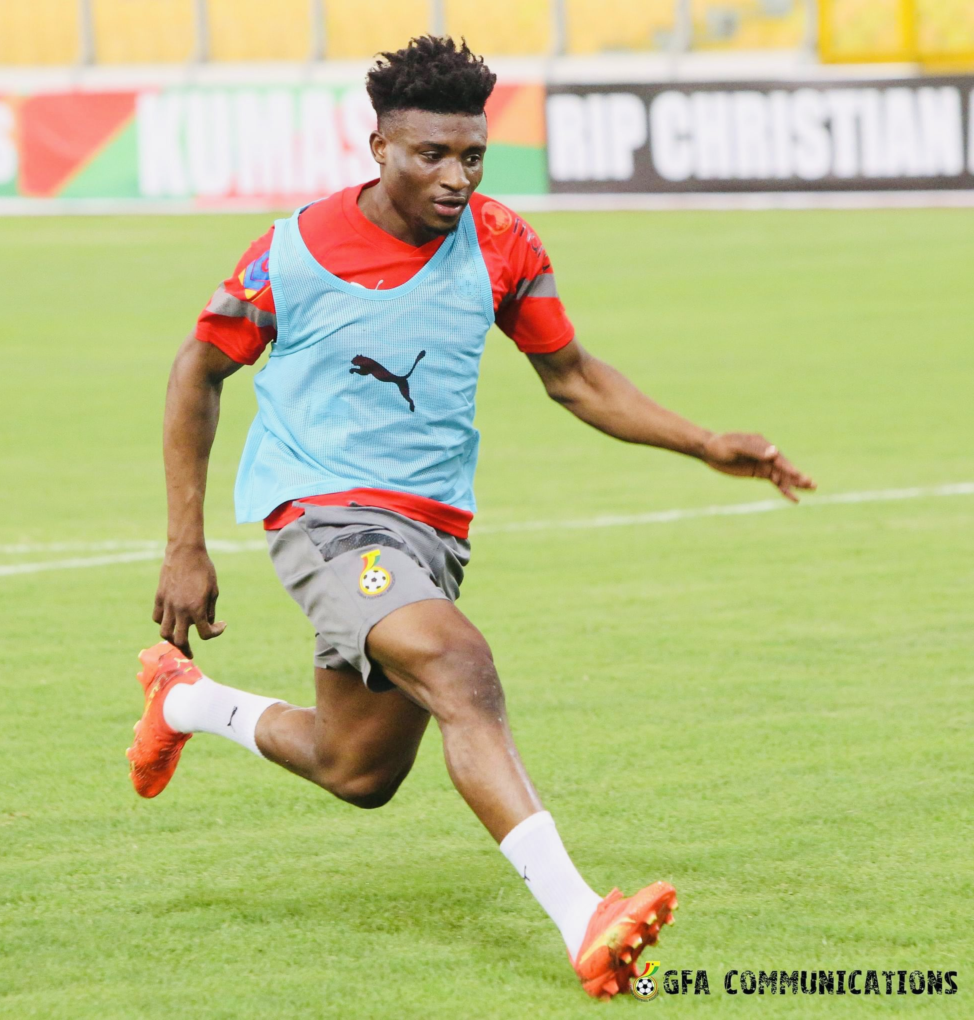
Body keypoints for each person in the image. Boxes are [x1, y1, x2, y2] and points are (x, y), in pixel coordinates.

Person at [127, 36, 815, 1000]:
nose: (456, 179)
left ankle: (186, 702)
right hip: (326, 516)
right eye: (430, 156)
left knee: (356, 768)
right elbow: (197, 370)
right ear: (378, 147)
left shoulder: (498, 241)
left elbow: (572, 376)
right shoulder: (295, 251)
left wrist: (702, 442)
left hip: (432, 532)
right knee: (459, 666)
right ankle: (587, 918)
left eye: (472, 156)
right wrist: (185, 546)